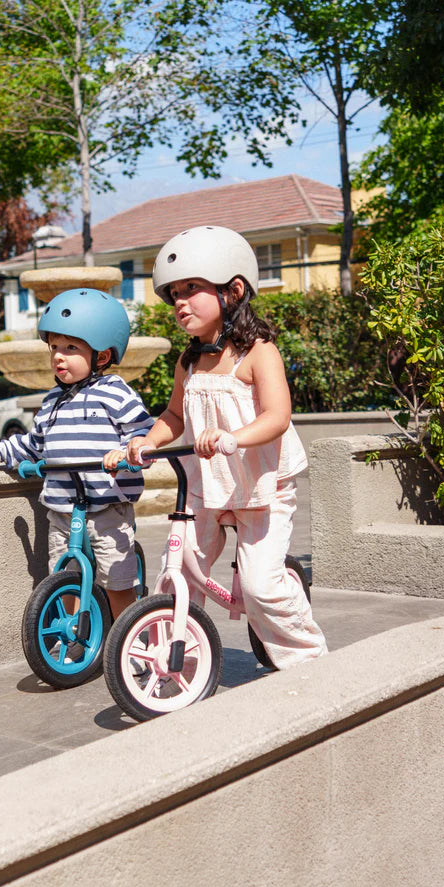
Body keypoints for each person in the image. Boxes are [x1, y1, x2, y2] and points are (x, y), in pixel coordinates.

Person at [120, 225, 327, 668]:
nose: (179, 302)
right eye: (173, 293)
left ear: (232, 290)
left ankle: (313, 660)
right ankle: (172, 655)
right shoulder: (189, 361)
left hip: (263, 484)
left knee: (260, 586)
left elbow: (277, 416)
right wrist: (148, 441)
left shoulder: (258, 352)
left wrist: (234, 437)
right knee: (178, 573)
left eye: (191, 288)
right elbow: (174, 416)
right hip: (206, 485)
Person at [0, 288, 152, 620]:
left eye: (71, 348)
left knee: (117, 582)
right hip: (63, 510)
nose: (58, 357)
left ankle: (131, 641)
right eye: (54, 348)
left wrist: (126, 452)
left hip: (108, 507)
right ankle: (75, 635)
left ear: (102, 356)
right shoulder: (52, 401)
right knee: (64, 577)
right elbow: (31, 444)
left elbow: (143, 434)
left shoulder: (115, 392)